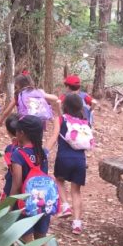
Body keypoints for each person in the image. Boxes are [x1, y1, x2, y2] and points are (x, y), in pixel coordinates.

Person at [9, 115, 52, 246]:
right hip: (43, 203)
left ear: (22, 133)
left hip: (26, 205)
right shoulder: (42, 153)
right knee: (41, 237)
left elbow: (16, 184)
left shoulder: (18, 154)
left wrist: (9, 207)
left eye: (17, 130)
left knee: (26, 245)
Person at [48, 94, 89, 235]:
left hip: (64, 158)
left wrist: (45, 151)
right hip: (80, 160)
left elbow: (54, 136)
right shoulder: (85, 122)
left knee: (59, 181)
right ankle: (77, 224)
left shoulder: (60, 119)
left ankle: (65, 206)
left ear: (65, 106)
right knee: (76, 191)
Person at [0, 114, 20, 202]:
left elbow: (10, 167)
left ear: (8, 132)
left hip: (11, 186)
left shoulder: (9, 149)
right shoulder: (33, 148)